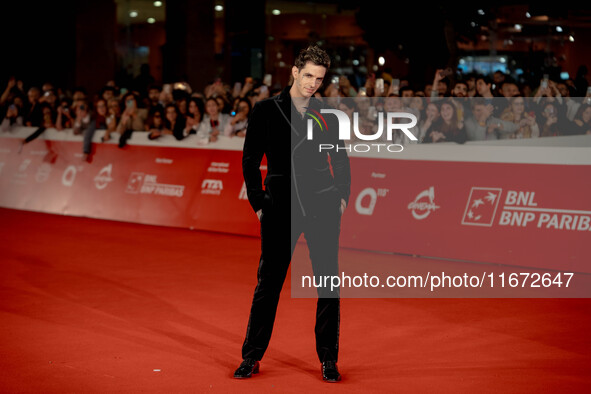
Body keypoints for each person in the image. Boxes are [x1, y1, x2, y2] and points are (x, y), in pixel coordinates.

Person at [235, 45, 351, 383]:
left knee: (328, 284)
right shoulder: (266, 110)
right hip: (279, 207)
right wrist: (258, 201)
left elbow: (340, 158)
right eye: (309, 75)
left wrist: (341, 196)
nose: (314, 83)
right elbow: (249, 159)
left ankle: (329, 359)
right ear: (295, 72)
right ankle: (252, 356)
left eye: (320, 78)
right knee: (268, 285)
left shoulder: (328, 113)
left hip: (323, 205)